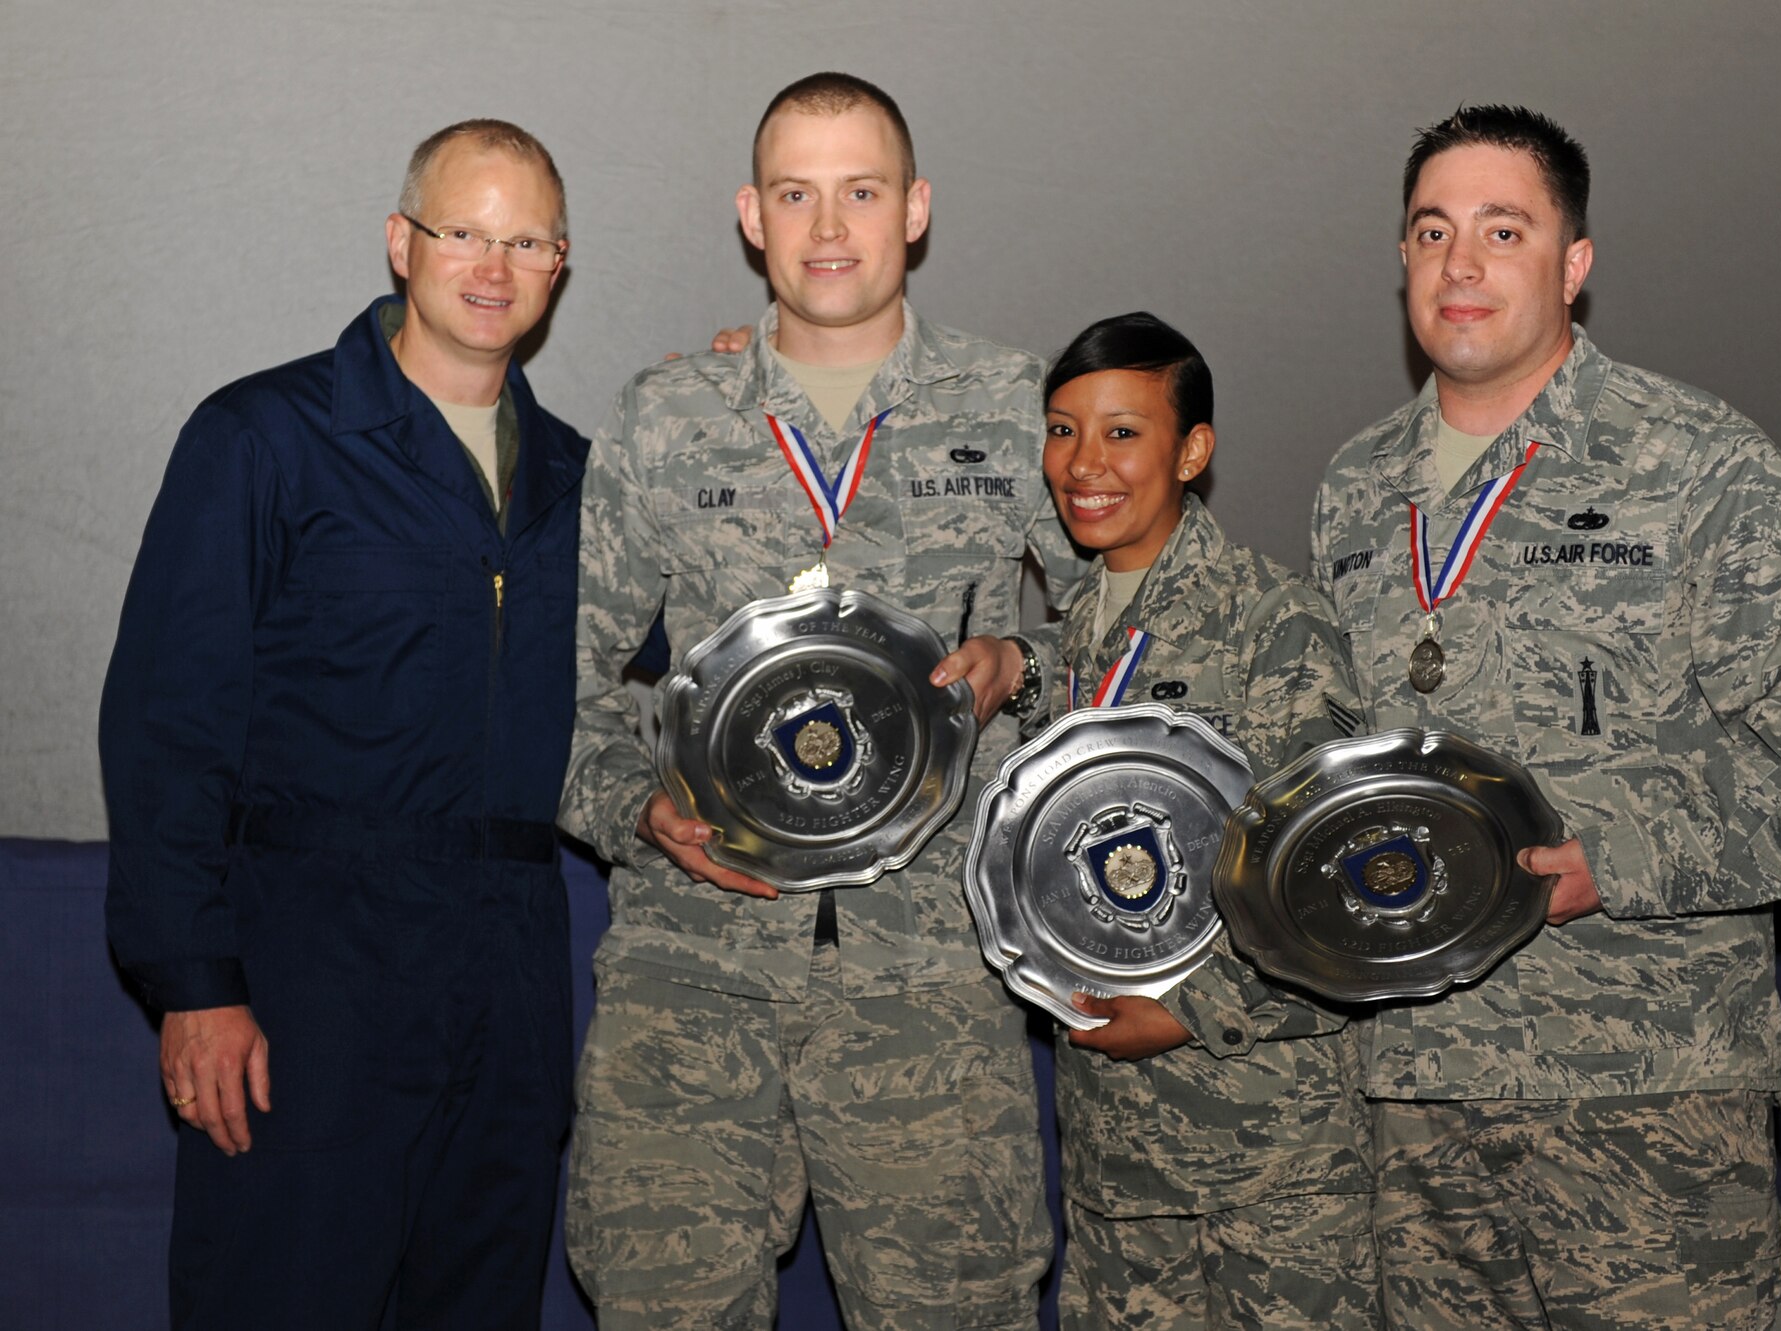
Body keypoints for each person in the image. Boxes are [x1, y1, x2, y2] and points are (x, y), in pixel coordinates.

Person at [1309, 105, 1781, 1330]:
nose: (1458, 265)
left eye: (1501, 230)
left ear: (1572, 265)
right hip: (1411, 1099)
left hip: (1641, 1096)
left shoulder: (1695, 462)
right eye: (1430, 231)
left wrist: (1610, 855)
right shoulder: (1353, 487)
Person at [559, 72, 1086, 1330]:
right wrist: (634, 806)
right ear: (752, 215)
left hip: (934, 985)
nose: (829, 227)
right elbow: (560, 683)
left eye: (860, 191)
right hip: (693, 975)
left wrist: (1022, 665)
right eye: (796, 193)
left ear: (914, 210)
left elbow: (1126, 643)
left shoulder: (1019, 410)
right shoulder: (664, 418)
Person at [98, 121, 586, 1329]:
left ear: (558, 266)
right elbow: (166, 722)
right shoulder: (262, 437)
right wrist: (194, 982)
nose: (490, 265)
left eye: (523, 239)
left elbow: (699, 674)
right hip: (309, 981)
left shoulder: (583, 477)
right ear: (399, 243)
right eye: (462, 230)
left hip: (511, 986)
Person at [1036, 313, 1380, 1330]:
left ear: (1192, 449)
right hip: (1110, 1168)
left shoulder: (1274, 621)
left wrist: (1195, 1005)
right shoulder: (1067, 645)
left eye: (1121, 432)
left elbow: (1341, 880)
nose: (1083, 464)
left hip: (1269, 1167)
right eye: (1060, 431)